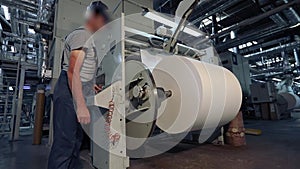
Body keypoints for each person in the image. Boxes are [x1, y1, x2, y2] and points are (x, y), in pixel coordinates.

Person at [48, 1, 110, 169]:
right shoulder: (83, 35)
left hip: (78, 88)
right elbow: (73, 72)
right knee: (66, 142)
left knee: (76, 140)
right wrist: (81, 105)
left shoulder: (91, 40)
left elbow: (83, 72)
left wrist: (91, 85)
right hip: (69, 91)